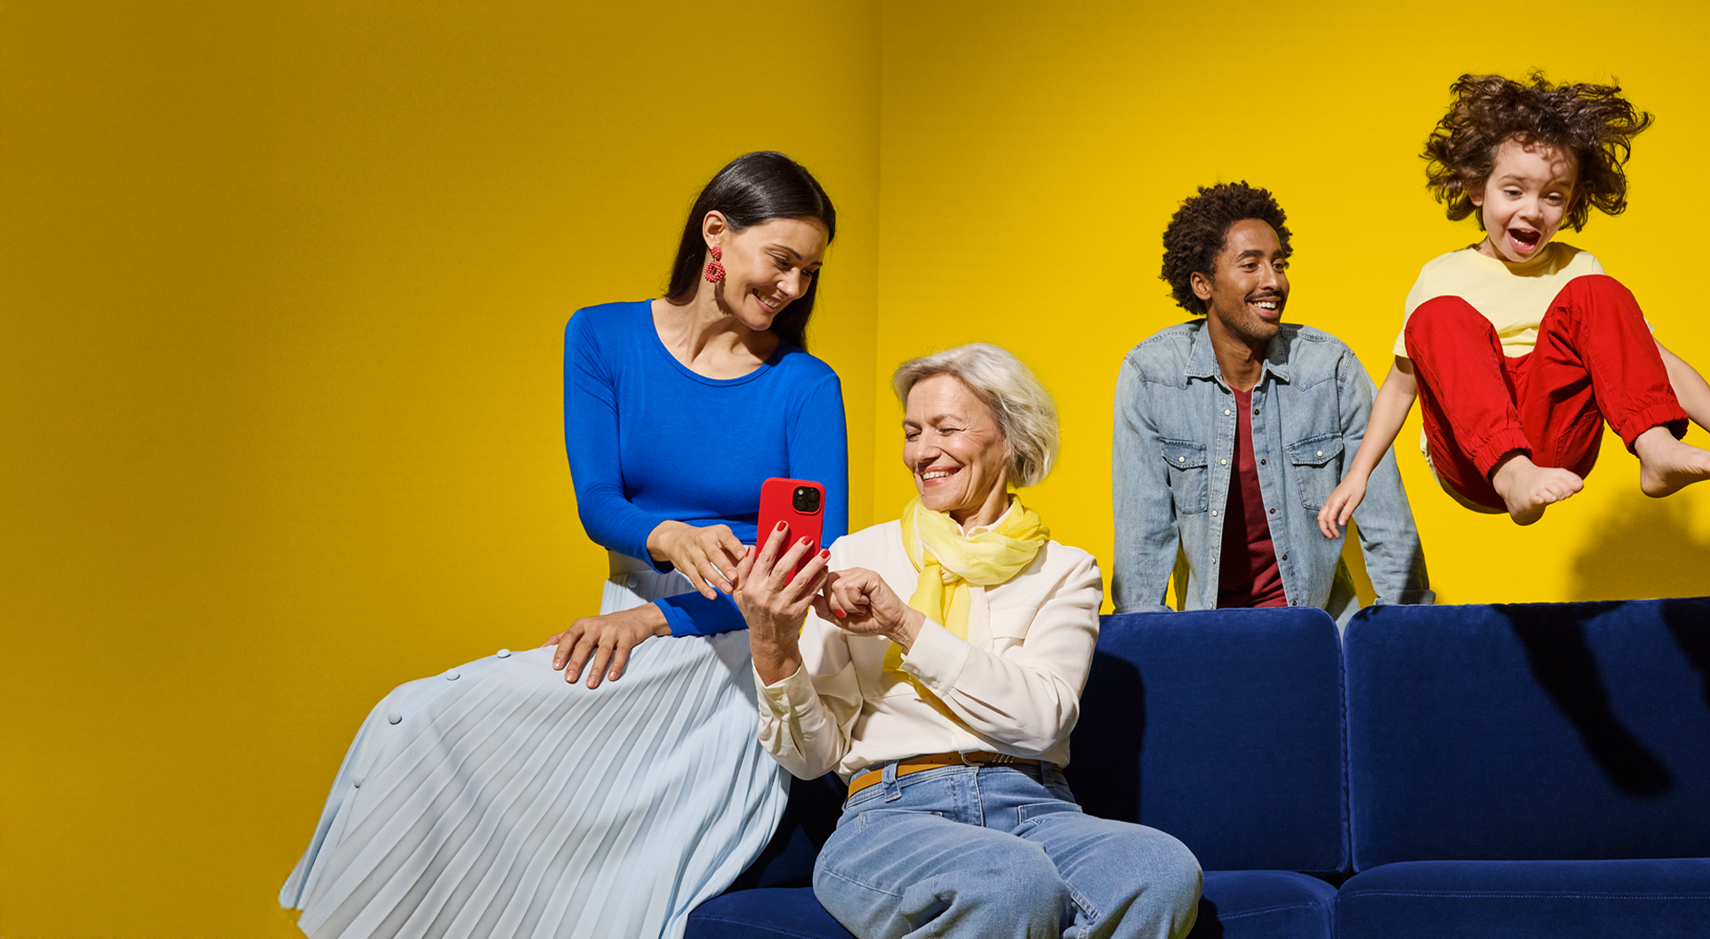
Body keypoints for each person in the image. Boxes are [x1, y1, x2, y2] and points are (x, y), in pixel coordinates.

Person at [280, 152, 850, 939]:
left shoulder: (805, 385)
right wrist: (664, 535)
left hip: (737, 646)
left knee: (615, 883)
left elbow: (811, 560)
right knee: (414, 719)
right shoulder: (601, 335)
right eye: (782, 261)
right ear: (716, 233)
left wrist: (659, 622)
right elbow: (599, 503)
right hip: (625, 619)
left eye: (809, 272)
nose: (793, 288)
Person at [732, 343, 1202, 939]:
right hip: (891, 814)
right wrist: (772, 643)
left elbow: (1042, 720)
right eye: (912, 432)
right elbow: (812, 757)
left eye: (945, 429)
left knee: (1159, 869)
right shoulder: (854, 557)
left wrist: (904, 625)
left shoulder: (1065, 571)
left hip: (1036, 804)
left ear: (1012, 436)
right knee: (1007, 880)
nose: (922, 451)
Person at [1320, 72, 1710, 533]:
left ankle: (1655, 448)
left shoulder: (1579, 269)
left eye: (1554, 197)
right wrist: (1358, 476)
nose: (1532, 211)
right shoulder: (1442, 276)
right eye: (1513, 190)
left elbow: (1657, 361)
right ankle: (1512, 473)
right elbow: (1399, 389)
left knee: (1597, 293)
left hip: (1557, 445)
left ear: (1574, 202)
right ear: (1476, 188)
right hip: (1474, 459)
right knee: (1439, 315)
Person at [1112, 182, 1428, 621]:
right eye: (1250, 265)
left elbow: (1386, 520)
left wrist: (1409, 634)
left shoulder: (1329, 368)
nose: (1273, 281)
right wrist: (1149, 657)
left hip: (1316, 630)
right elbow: (1144, 539)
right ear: (1203, 284)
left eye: (1279, 264)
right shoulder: (1152, 376)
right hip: (1210, 634)